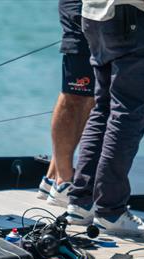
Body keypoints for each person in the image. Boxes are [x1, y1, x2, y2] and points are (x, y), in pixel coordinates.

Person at [65, 0, 144, 236]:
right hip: (132, 17)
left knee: (102, 108)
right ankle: (110, 211)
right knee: (127, 114)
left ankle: (81, 203)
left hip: (93, 16)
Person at [38, 0, 95, 207]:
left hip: (107, 11)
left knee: (91, 96)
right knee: (76, 92)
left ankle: (54, 176)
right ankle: (64, 181)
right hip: (83, 8)